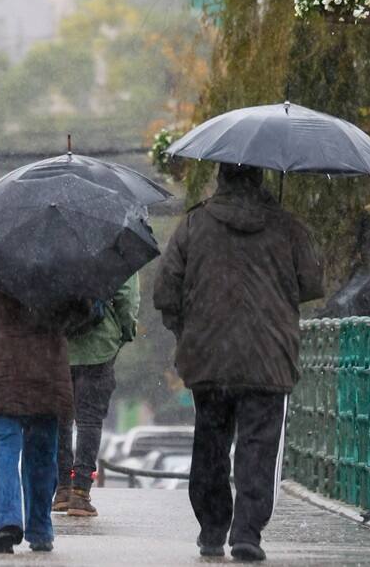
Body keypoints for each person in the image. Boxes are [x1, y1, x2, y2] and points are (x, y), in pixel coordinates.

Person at [153, 162, 322, 562]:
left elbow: (165, 290)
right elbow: (312, 283)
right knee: (259, 447)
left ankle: (213, 528)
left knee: (211, 442)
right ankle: (247, 532)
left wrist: (187, 331)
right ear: (262, 178)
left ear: (222, 177)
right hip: (269, 359)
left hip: (209, 357)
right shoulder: (288, 227)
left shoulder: (194, 225)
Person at [0, 281, 75, 554]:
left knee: (5, 446)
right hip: (46, 367)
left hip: (1, 367)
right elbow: (83, 309)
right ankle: (40, 528)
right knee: (43, 452)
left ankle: (5, 523)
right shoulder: (61, 259)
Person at [52, 275, 139, 517]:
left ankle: (62, 489)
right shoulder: (117, 246)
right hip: (100, 346)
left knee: (61, 420)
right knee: (89, 420)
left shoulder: (54, 244)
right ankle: (80, 492)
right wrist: (124, 332)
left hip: (60, 346)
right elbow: (127, 298)